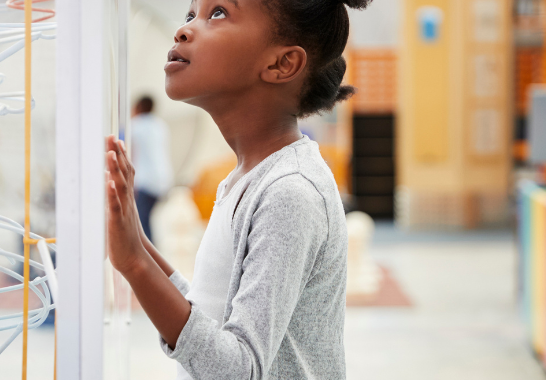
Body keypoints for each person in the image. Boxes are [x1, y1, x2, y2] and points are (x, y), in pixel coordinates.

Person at [104, 0, 367, 377]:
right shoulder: (250, 175)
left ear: (282, 64)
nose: (185, 29)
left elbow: (238, 368)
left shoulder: (290, 191)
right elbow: (209, 309)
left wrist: (135, 263)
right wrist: (135, 237)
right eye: (191, 14)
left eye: (218, 13)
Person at [130, 96, 175, 243]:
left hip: (145, 181)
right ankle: (152, 251)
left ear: (138, 107)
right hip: (163, 179)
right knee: (147, 219)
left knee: (142, 221)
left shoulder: (136, 126)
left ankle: (149, 255)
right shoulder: (160, 125)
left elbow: (130, 152)